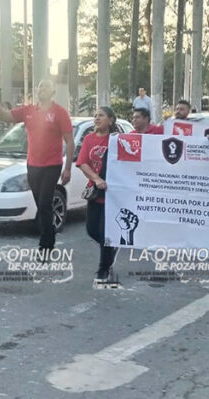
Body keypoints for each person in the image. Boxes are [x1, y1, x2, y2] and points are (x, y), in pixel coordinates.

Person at [0, 79, 74, 255]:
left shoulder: (59, 113)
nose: (42, 89)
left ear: (52, 92)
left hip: (52, 165)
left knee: (44, 204)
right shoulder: (28, 111)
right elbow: (3, 115)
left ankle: (46, 244)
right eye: (40, 86)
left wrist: (68, 168)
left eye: (46, 86)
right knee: (41, 206)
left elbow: (70, 142)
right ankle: (48, 237)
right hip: (33, 165)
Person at [77, 107, 121, 282]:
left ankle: (103, 269)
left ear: (110, 120)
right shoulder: (89, 139)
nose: (96, 118)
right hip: (95, 192)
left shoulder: (117, 140)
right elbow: (82, 163)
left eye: (101, 115)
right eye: (95, 115)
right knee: (91, 230)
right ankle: (111, 249)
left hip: (113, 194)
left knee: (104, 233)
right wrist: (96, 179)